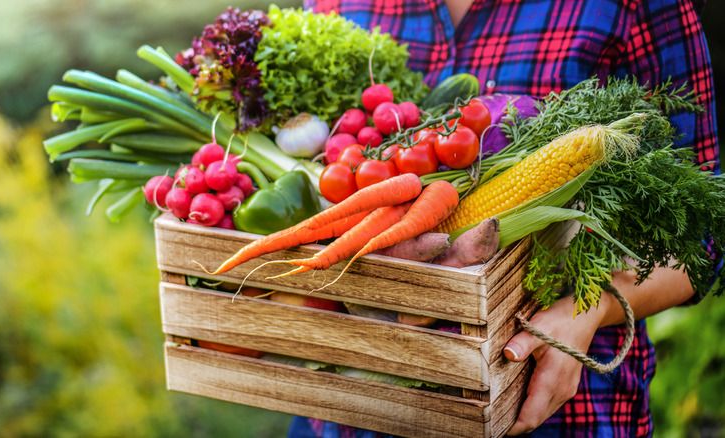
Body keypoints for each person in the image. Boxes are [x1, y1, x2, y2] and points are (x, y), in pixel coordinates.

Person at [288, 0, 721, 436]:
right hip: (347, 405)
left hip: (546, 402)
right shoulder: (336, 5)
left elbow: (703, 237)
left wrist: (586, 312)